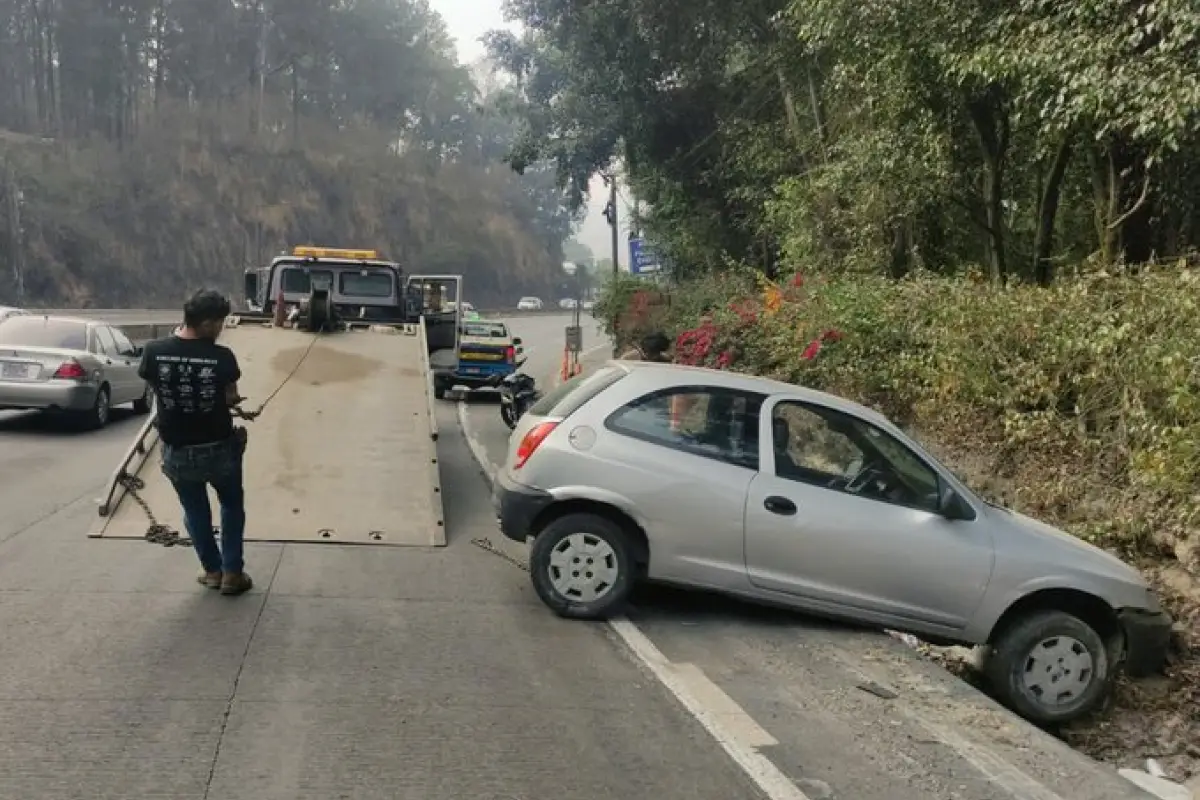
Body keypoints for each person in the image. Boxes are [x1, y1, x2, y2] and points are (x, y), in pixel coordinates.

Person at [138, 289, 252, 595]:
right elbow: (229, 396)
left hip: (177, 452)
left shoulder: (154, 351)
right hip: (219, 449)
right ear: (206, 323)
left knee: (196, 512)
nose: (221, 329)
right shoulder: (222, 357)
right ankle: (232, 573)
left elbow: (155, 387)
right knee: (231, 506)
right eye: (220, 323)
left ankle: (212, 571)